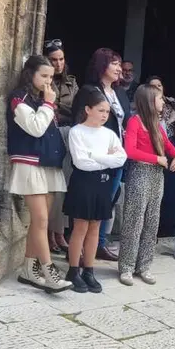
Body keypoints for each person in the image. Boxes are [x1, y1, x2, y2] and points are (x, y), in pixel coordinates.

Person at [6, 55, 71, 292]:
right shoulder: (18, 98)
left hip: (48, 162)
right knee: (42, 219)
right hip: (29, 162)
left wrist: (47, 103)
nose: (47, 82)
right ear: (30, 74)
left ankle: (28, 268)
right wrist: (48, 104)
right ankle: (49, 269)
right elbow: (34, 127)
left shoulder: (42, 98)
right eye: (43, 76)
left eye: (51, 77)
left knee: (39, 221)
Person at [62, 90, 128, 293]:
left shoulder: (109, 134)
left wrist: (94, 155)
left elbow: (121, 158)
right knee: (80, 227)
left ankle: (89, 270)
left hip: (102, 183)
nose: (104, 115)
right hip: (83, 182)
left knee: (95, 228)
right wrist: (104, 157)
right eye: (100, 110)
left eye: (107, 111)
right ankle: (74, 269)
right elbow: (81, 163)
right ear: (88, 109)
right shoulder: (77, 132)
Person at [72, 49, 131, 262]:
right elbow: (78, 123)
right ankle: (78, 251)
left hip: (116, 152)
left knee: (107, 201)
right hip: (93, 157)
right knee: (85, 207)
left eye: (119, 64)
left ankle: (99, 245)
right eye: (114, 63)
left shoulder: (120, 93)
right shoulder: (89, 91)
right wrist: (98, 154)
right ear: (101, 66)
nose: (119, 68)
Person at [119, 85, 175, 285]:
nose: (163, 102)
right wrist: (156, 158)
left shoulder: (155, 122)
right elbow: (130, 151)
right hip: (140, 172)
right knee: (134, 220)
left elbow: (168, 145)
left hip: (156, 175)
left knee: (152, 220)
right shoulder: (135, 121)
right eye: (160, 98)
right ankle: (127, 267)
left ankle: (144, 265)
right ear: (149, 100)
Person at [44, 39, 77, 256]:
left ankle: (59, 232)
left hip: (69, 131)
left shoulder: (71, 81)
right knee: (52, 188)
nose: (58, 64)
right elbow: (52, 106)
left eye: (61, 59)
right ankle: (49, 233)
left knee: (65, 186)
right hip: (51, 132)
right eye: (54, 60)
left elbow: (77, 106)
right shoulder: (45, 82)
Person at [151, 75, 175, 238]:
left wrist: (172, 116)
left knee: (172, 186)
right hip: (153, 145)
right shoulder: (145, 104)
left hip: (170, 144)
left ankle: (169, 225)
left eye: (159, 85)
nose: (157, 88)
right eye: (152, 86)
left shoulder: (171, 102)